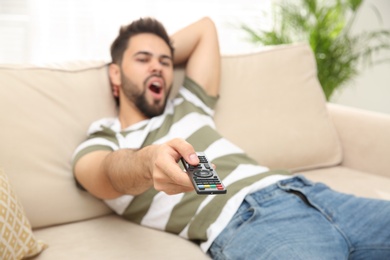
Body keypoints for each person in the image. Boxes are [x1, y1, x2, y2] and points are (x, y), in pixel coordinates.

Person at [72, 17, 390, 259]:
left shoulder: (188, 106)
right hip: (250, 221)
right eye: (142, 59)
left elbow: (205, 29)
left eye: (165, 62)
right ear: (115, 73)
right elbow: (104, 174)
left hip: (311, 193)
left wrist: (153, 54)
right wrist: (147, 160)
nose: (157, 67)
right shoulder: (104, 139)